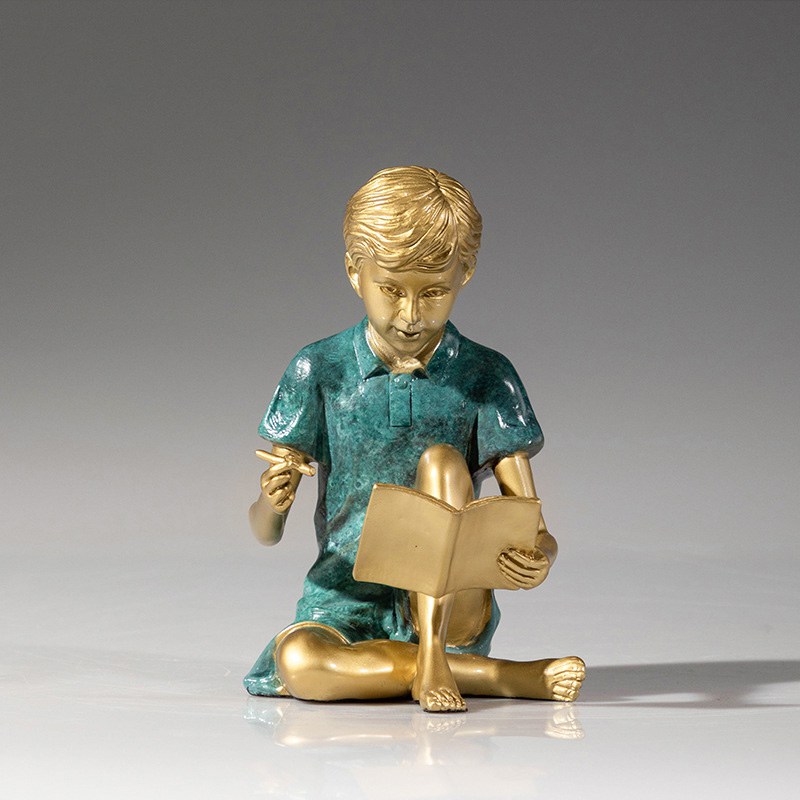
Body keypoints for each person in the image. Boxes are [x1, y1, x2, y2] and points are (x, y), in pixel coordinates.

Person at [245, 166, 584, 712]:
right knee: (301, 661)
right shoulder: (319, 369)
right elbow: (265, 533)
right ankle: (499, 676)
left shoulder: (486, 376)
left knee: (444, 463)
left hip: (452, 604)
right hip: (345, 600)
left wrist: (539, 555)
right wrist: (272, 501)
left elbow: (533, 524)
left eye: (433, 292)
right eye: (390, 290)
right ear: (354, 271)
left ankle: (434, 655)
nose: (410, 315)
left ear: (465, 273)